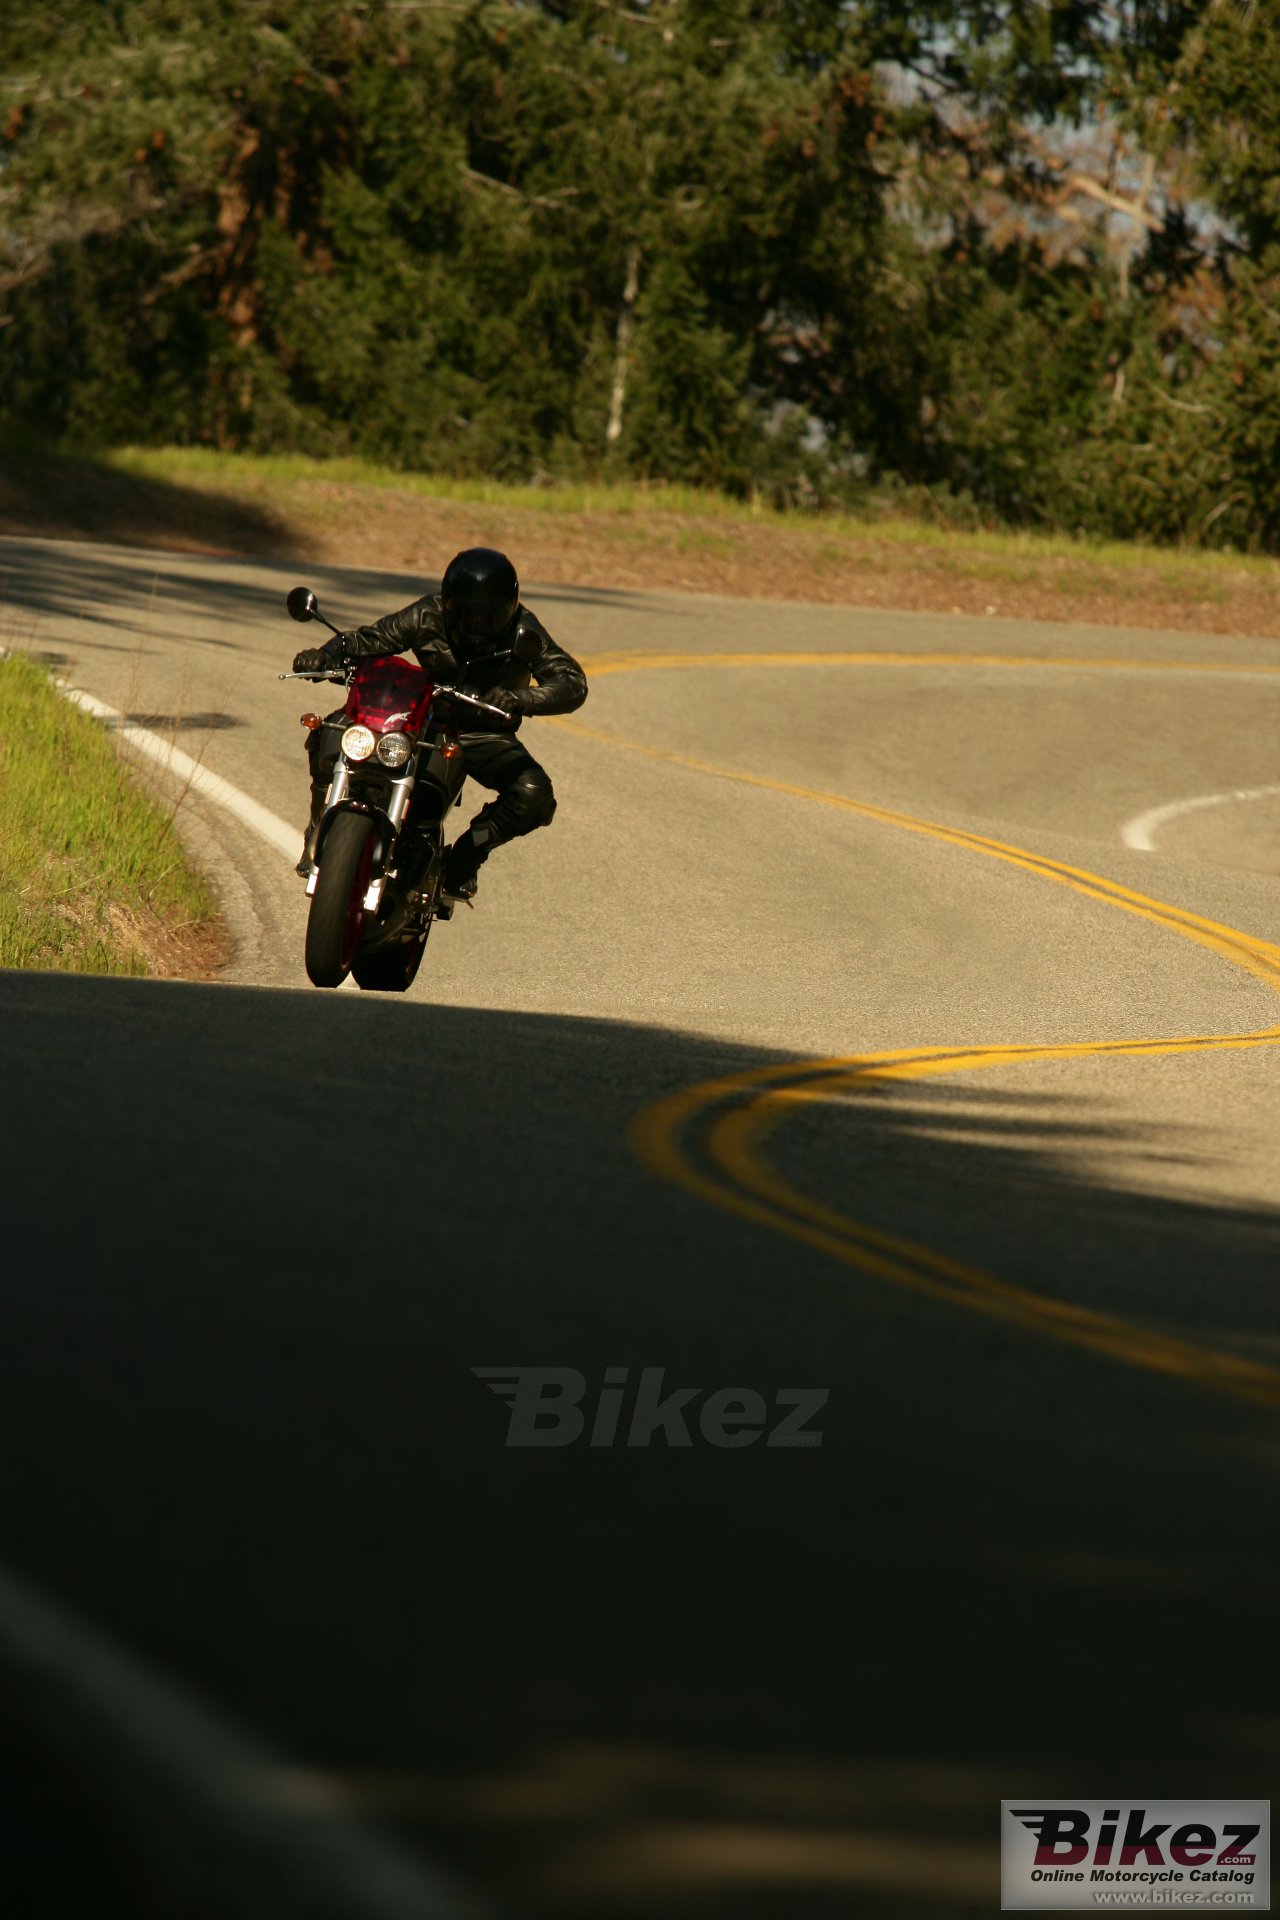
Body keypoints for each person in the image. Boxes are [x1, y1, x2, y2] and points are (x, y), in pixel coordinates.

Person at [292, 548, 588, 903]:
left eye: (489, 616)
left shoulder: (524, 630)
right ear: (448, 605)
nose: (477, 624)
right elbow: (367, 640)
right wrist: (326, 655)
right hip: (421, 719)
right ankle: (317, 824)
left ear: (510, 608)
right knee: (331, 730)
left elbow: (571, 681)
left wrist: (520, 699)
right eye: (466, 614)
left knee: (534, 795)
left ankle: (467, 855)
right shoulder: (426, 615)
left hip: (483, 731)